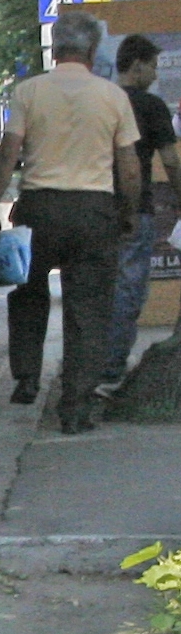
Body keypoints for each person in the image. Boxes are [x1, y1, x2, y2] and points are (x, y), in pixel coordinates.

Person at [0, 10, 141, 434]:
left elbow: (8, 154)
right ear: (92, 49)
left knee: (28, 291)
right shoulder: (113, 97)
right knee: (88, 309)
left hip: (39, 209)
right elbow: (128, 166)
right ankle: (76, 407)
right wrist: (128, 213)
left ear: (55, 48)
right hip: (94, 211)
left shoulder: (29, 92)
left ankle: (27, 376)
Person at [97, 34, 181, 394]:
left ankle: (90, 365)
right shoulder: (150, 105)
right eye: (153, 66)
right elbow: (171, 161)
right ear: (137, 65)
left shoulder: (100, 101)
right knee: (128, 290)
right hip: (135, 209)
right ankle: (110, 370)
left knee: (98, 289)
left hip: (95, 208)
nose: (155, 74)